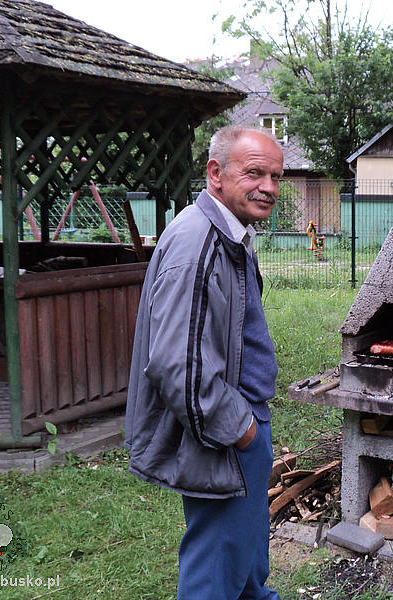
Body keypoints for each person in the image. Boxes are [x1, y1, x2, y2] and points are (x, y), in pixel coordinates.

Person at [124, 125, 284, 600]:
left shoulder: (229, 234)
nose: (269, 188)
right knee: (215, 569)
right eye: (255, 172)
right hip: (224, 433)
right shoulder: (199, 245)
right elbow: (178, 366)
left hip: (241, 422)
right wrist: (244, 431)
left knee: (247, 551)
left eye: (276, 176)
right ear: (216, 173)